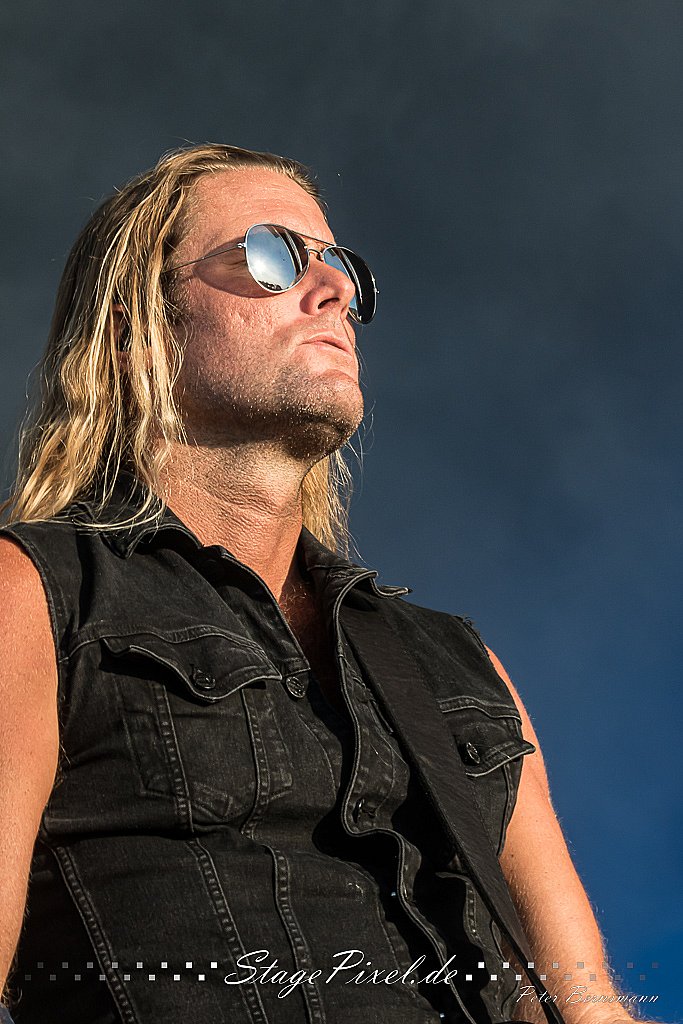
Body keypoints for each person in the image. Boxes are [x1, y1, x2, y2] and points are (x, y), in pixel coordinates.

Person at [0, 144, 654, 1024]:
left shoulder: (457, 665)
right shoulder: (33, 594)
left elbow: (582, 1004)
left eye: (340, 265)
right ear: (134, 330)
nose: (334, 289)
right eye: (271, 255)